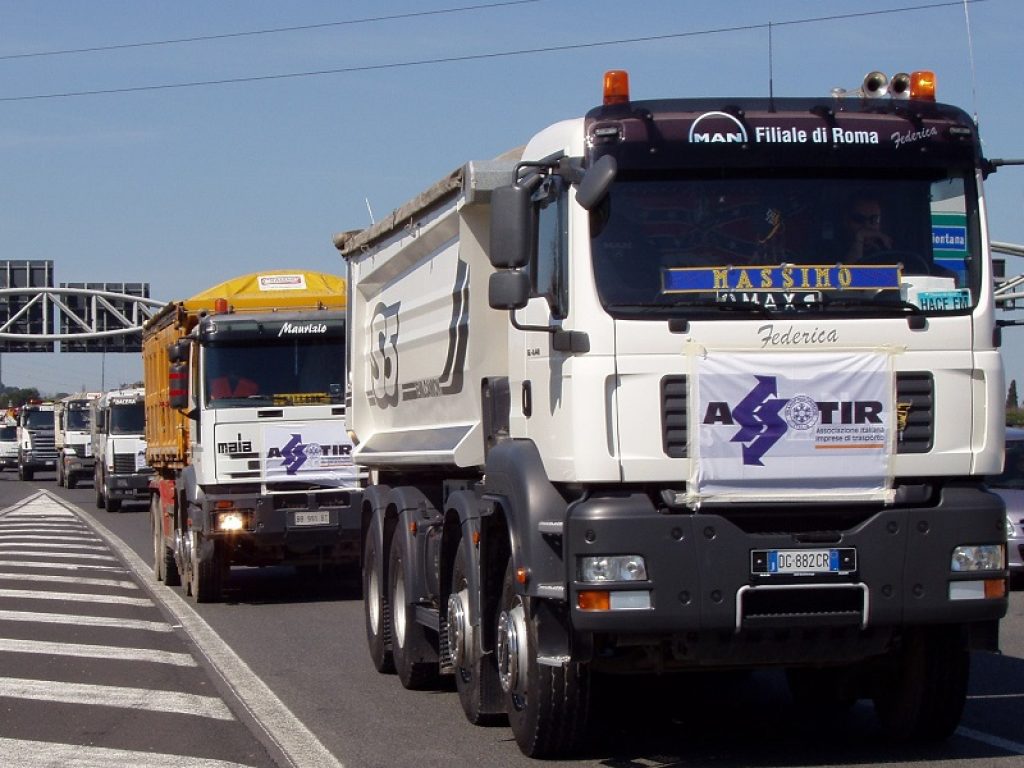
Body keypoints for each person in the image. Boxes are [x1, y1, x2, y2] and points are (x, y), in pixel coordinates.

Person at [839, 193, 893, 263]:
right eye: (859, 219)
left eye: (874, 219)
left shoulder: (888, 250)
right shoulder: (831, 250)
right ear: (846, 221)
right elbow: (849, 272)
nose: (867, 225)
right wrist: (859, 237)